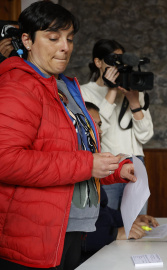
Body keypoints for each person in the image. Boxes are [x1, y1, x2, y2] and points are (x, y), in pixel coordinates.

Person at [0, 2, 136, 269]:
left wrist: (112, 170)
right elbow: (6, 160)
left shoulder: (62, 87)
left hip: (71, 228)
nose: (65, 46)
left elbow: (69, 155)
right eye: (53, 38)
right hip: (35, 235)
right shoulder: (19, 86)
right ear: (27, 40)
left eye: (70, 38)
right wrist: (88, 164)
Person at [81, 39, 154, 215]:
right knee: (108, 222)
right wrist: (112, 91)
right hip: (108, 164)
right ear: (98, 62)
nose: (118, 65)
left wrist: (134, 101)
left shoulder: (133, 90)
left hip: (136, 162)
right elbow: (93, 133)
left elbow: (145, 135)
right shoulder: (84, 92)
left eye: (121, 60)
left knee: (136, 221)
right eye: (113, 61)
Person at [81, 102, 159, 263]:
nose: (100, 130)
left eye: (100, 124)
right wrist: (115, 234)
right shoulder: (75, 168)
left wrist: (129, 220)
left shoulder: (90, 166)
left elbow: (101, 211)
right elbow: (77, 229)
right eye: (94, 124)